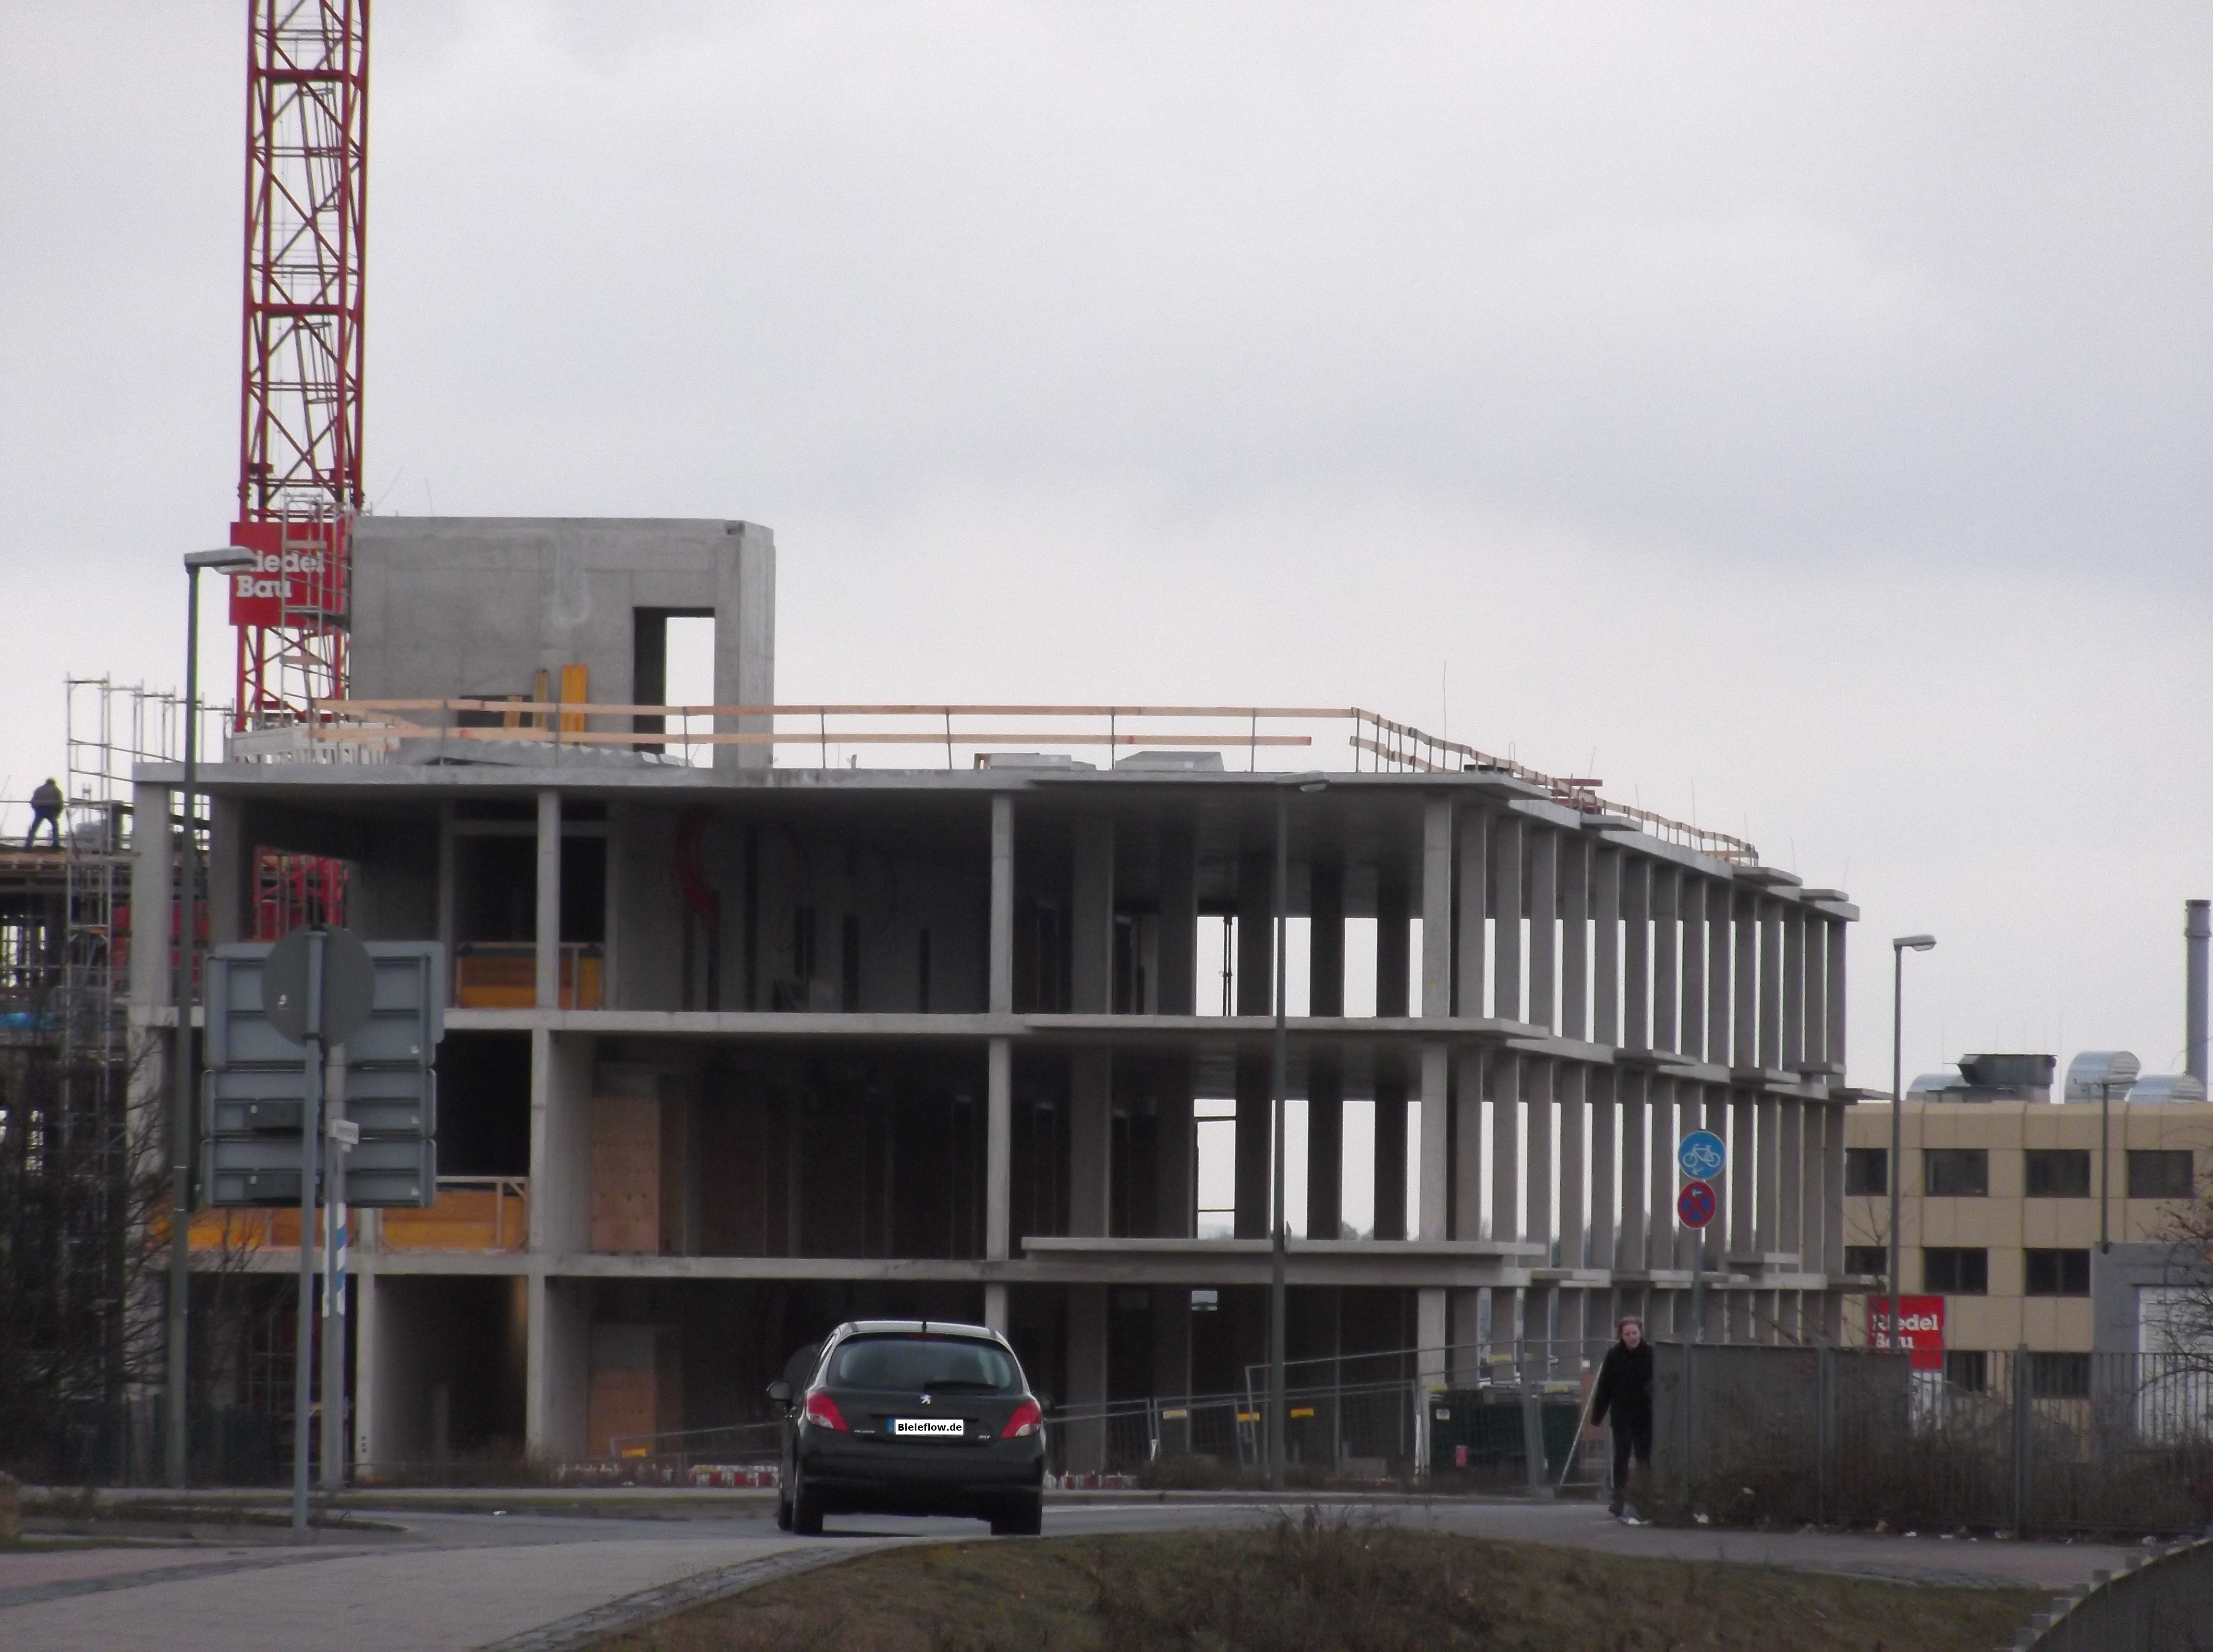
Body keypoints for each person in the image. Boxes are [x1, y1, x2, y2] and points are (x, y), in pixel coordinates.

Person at [1589, 1314, 1653, 1520]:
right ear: (1621, 1336)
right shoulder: (1614, 1356)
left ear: (1641, 1333)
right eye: (1628, 1334)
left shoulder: (1651, 1354)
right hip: (1622, 1414)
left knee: (1644, 1457)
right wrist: (1597, 1416)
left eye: (1635, 1333)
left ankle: (1646, 1497)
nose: (1632, 1337)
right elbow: (1605, 1387)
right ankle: (1619, 1498)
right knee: (1622, 1456)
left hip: (1645, 1414)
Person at [24, 778, 62, 849]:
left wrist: (36, 809)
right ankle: (55, 845)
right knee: (55, 827)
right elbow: (60, 803)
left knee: (34, 827)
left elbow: (33, 801)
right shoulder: (56, 790)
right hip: (51, 810)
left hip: (40, 809)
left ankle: (28, 844)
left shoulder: (39, 789)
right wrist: (58, 813)